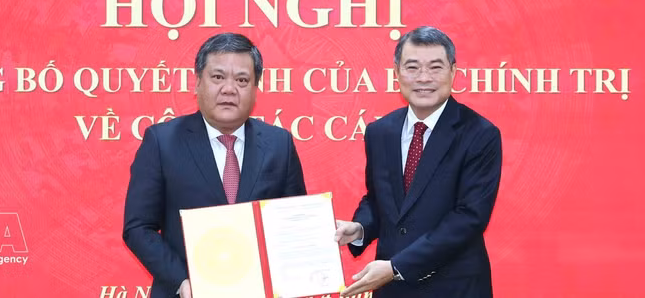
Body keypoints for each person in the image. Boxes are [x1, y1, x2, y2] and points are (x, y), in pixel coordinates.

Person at [123, 33, 307, 298]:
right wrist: (182, 281)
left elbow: (294, 225)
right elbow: (138, 228)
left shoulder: (280, 144)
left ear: (256, 88)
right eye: (218, 77)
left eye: (242, 80)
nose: (229, 89)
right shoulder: (162, 142)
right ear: (198, 82)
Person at [335, 26, 502, 298]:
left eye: (435, 67)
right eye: (412, 67)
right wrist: (360, 229)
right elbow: (380, 200)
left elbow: (469, 218)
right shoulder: (380, 131)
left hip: (455, 287)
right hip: (392, 290)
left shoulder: (480, 134)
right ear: (397, 73)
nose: (424, 78)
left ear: (453, 72)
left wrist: (397, 267)